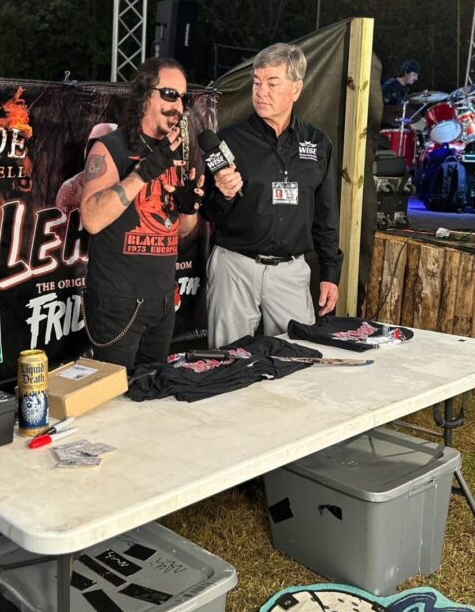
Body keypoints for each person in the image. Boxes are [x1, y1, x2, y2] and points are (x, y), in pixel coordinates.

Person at [203, 42, 343, 348]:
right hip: (235, 268)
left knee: (298, 359)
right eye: (256, 83)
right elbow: (208, 212)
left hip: (290, 272)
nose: (261, 91)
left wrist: (331, 272)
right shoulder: (229, 140)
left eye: (272, 83)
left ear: (295, 89)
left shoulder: (317, 143)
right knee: (228, 362)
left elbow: (326, 213)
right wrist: (224, 195)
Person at [80, 58, 204, 369]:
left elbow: (180, 231)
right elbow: (92, 219)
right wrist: (144, 173)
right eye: (169, 94)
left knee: (153, 397)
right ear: (145, 95)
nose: (177, 105)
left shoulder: (178, 153)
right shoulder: (111, 148)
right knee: (114, 401)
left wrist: (188, 208)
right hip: (117, 302)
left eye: (183, 98)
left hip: (161, 300)